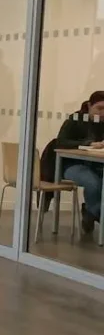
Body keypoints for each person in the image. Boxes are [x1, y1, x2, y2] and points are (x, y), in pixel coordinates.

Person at [57, 92, 104, 233]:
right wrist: (88, 143)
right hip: (73, 165)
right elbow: (61, 141)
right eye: (99, 108)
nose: (103, 113)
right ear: (89, 105)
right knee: (93, 183)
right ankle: (94, 213)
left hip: (97, 165)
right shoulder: (75, 119)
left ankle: (90, 213)